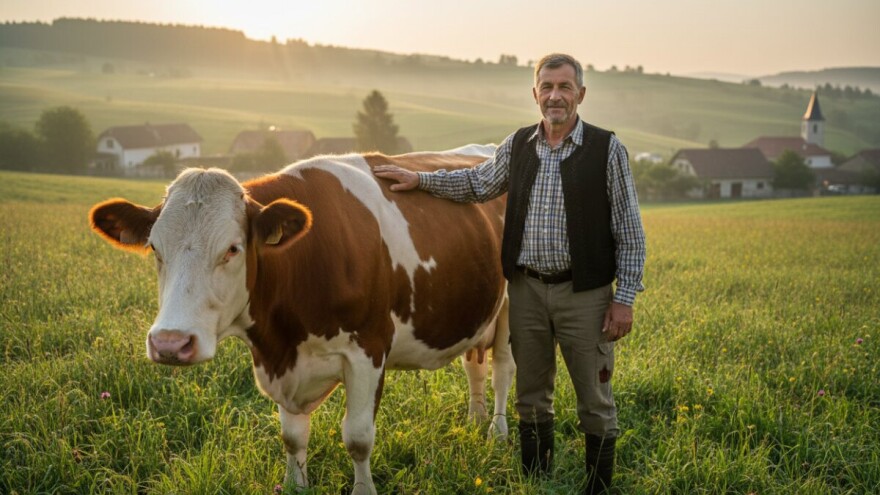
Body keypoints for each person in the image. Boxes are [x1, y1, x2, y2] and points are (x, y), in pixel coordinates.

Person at [373, 53, 645, 494]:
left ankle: (599, 487)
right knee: (530, 396)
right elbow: (477, 184)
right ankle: (538, 480)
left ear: (581, 94)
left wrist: (624, 298)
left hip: (586, 295)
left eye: (565, 87)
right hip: (527, 291)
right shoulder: (518, 146)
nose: (555, 96)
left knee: (594, 399)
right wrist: (421, 181)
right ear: (535, 93)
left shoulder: (606, 149)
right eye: (547, 87)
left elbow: (630, 230)